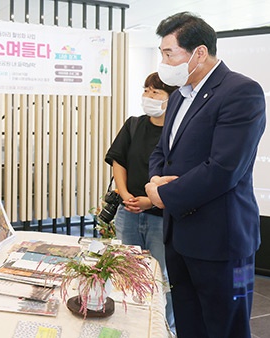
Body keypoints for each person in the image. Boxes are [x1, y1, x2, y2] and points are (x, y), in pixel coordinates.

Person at [145, 12, 266, 338]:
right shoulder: (179, 97)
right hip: (180, 237)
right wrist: (155, 180)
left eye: (169, 53)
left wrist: (164, 195)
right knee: (189, 324)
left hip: (222, 243)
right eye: (161, 53)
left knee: (227, 327)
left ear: (199, 52)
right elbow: (162, 152)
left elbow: (224, 168)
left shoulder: (241, 92)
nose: (163, 61)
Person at [105, 72, 178, 334]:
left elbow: (180, 176)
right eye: (146, 90)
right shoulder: (134, 124)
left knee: (162, 277)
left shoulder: (178, 133)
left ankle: (163, 328)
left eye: (156, 92)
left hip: (163, 217)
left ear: (173, 98)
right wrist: (124, 194)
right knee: (128, 273)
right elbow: (118, 160)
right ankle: (131, 326)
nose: (148, 97)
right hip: (129, 212)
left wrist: (152, 201)